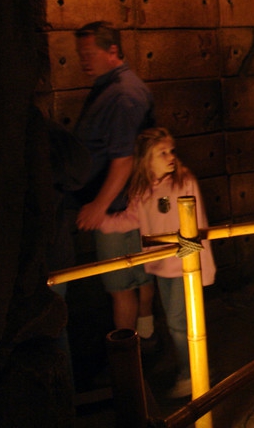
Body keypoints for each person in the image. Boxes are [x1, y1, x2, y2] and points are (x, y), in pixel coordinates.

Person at [83, 127, 216, 399]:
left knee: (179, 322)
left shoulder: (183, 180)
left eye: (171, 151)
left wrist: (204, 267)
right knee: (176, 321)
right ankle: (192, 370)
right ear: (146, 159)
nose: (170, 157)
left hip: (184, 265)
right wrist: (101, 221)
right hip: (161, 266)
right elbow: (132, 219)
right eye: (162, 152)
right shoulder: (143, 188)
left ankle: (192, 375)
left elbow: (199, 221)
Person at [70, 21, 157, 343]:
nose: (83, 60)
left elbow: (123, 160)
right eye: (80, 53)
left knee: (120, 287)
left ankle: (127, 361)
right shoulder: (114, 87)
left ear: (113, 51)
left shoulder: (121, 94)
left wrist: (98, 207)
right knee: (136, 279)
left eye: (88, 52)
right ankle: (145, 339)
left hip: (116, 209)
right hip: (123, 205)